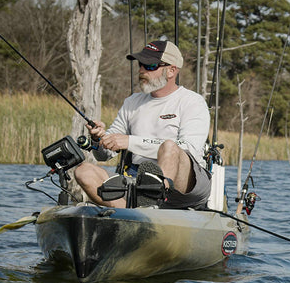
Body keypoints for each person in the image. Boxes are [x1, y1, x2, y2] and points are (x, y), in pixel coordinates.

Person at [74, 40, 212, 209]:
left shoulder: (193, 102)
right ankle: (132, 213)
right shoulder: (132, 102)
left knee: (169, 148)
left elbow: (188, 148)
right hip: (136, 180)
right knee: (83, 171)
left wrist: (130, 142)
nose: (141, 70)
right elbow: (103, 155)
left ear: (171, 70)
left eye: (150, 65)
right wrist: (98, 139)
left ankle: (151, 204)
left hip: (185, 186)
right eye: (141, 64)